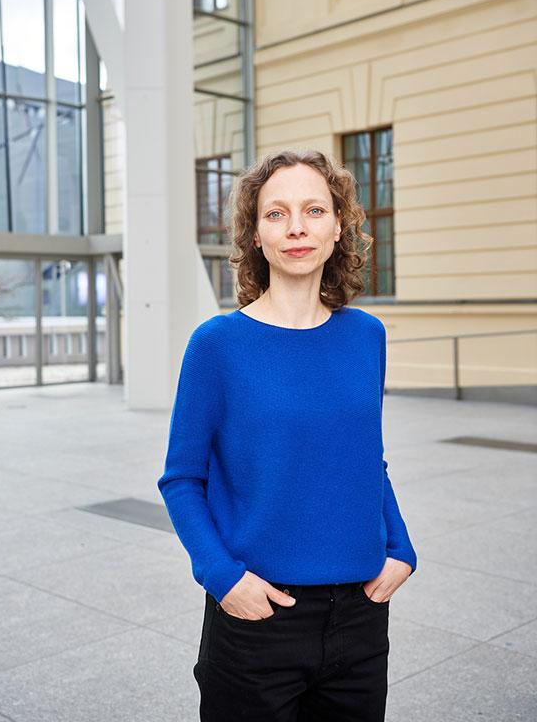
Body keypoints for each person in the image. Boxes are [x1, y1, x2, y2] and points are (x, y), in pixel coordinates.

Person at [157, 149, 417, 722]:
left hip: (361, 614)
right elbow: (181, 480)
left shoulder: (365, 337)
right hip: (257, 619)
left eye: (313, 210)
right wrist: (223, 579)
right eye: (275, 213)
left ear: (337, 225)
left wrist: (400, 547)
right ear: (254, 234)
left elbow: (366, 460)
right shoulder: (217, 344)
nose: (296, 227)